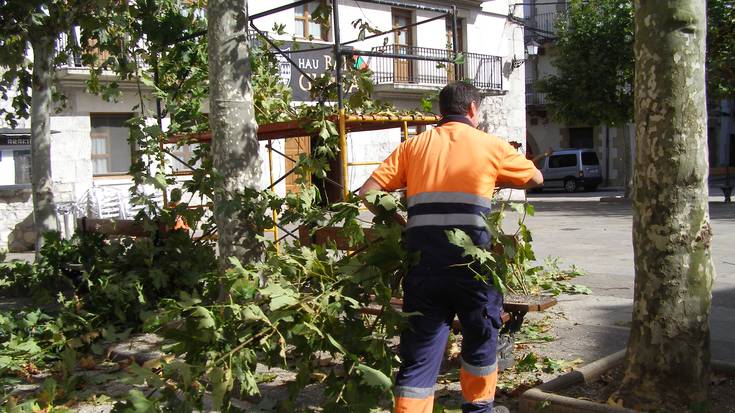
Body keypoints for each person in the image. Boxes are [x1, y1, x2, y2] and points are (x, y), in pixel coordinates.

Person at [359, 82, 543, 413]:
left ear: (441, 111)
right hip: (471, 267)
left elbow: (369, 192)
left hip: (423, 266)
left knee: (420, 353)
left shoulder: (413, 147)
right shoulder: (491, 146)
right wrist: (494, 176)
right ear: (472, 109)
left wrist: (403, 223)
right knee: (482, 341)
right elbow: (535, 179)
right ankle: (478, 410)